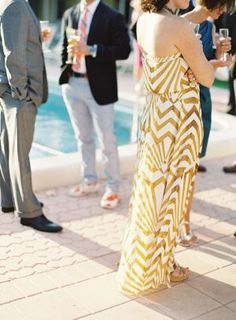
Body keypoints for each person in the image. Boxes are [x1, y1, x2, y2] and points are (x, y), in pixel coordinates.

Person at [117, 0, 217, 295]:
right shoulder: (178, 26)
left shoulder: (145, 21)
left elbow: (165, 66)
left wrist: (185, 64)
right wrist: (195, 59)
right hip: (177, 123)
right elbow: (208, 78)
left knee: (151, 192)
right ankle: (163, 266)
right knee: (172, 195)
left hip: (156, 118)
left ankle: (151, 262)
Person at [59, 0, 131, 209]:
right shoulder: (70, 14)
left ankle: (113, 187)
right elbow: (66, 46)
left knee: (107, 139)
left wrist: (92, 49)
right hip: (72, 84)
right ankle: (89, 181)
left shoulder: (112, 16)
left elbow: (123, 50)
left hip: (100, 87)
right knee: (83, 137)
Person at [0, 0, 62, 233]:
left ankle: (10, 200)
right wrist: (21, 92)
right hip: (18, 93)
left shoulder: (10, 4)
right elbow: (13, 54)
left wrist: (36, 38)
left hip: (9, 90)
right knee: (19, 153)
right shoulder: (16, 5)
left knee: (8, 148)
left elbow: (15, 43)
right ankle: (29, 212)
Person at [179, 0, 234, 246]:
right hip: (180, 102)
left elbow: (212, 67)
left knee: (191, 169)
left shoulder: (209, 26)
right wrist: (212, 64)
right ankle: (174, 221)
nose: (223, 11)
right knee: (178, 169)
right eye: (222, 6)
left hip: (201, 100)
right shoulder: (180, 21)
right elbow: (184, 68)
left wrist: (221, 53)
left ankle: (184, 221)